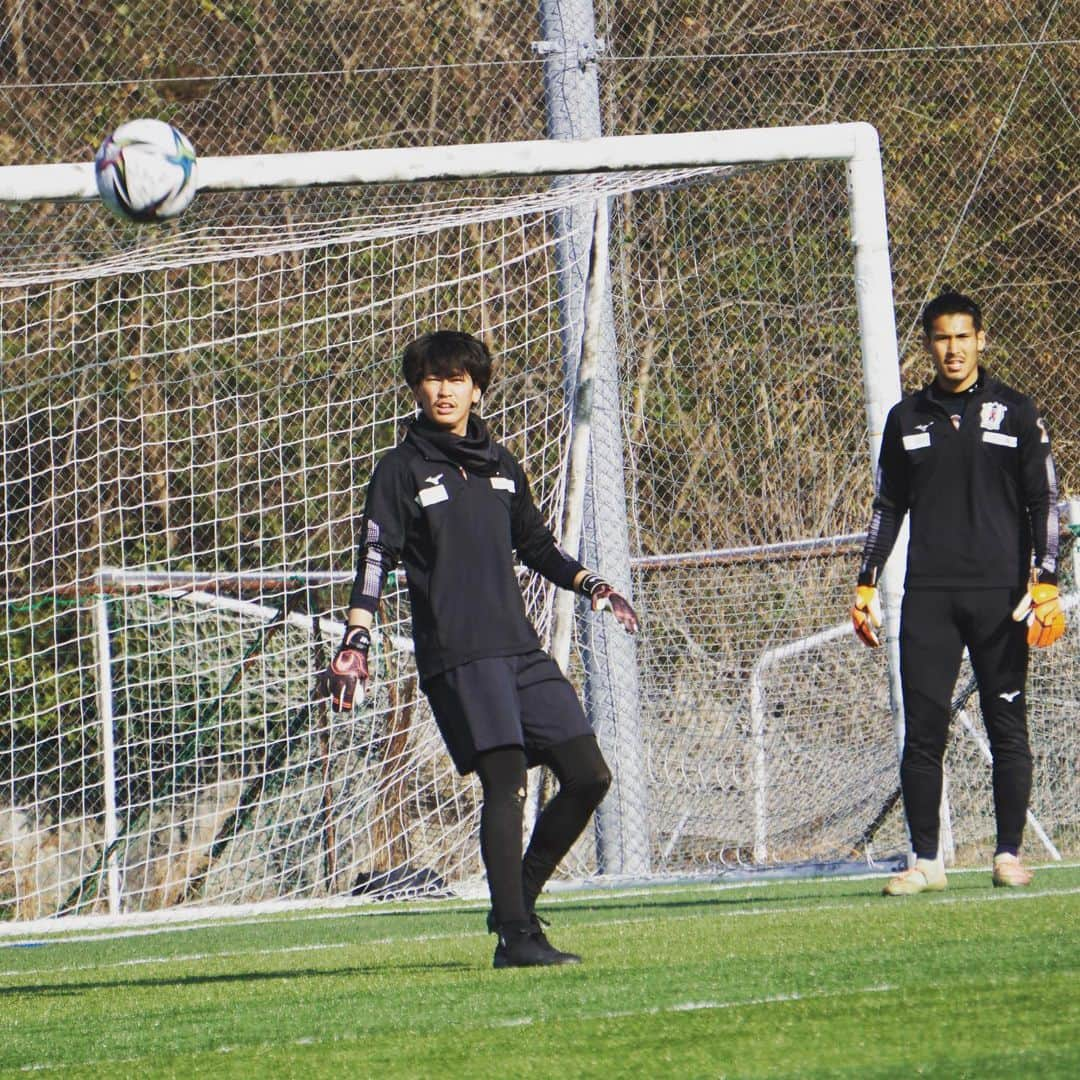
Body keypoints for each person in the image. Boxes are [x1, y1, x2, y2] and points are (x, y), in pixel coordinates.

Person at [323, 330, 639, 966]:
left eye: (458, 379)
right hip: (460, 655)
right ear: (416, 387)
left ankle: (514, 897)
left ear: (476, 387)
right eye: (433, 379)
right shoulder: (401, 469)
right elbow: (374, 558)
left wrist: (593, 584)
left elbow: (538, 546)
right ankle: (516, 939)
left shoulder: (499, 464)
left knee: (587, 775)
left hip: (520, 651)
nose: (445, 389)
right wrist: (357, 637)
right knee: (506, 782)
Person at [851, 290, 1065, 896]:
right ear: (928, 344)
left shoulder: (1016, 411)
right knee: (923, 730)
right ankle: (925, 862)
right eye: (942, 337)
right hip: (929, 597)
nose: (953, 348)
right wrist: (866, 581)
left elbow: (1045, 502)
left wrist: (1046, 578)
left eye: (963, 337)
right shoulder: (906, 418)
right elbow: (887, 506)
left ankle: (1006, 854)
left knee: (1007, 726)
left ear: (981, 340)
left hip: (1001, 599)